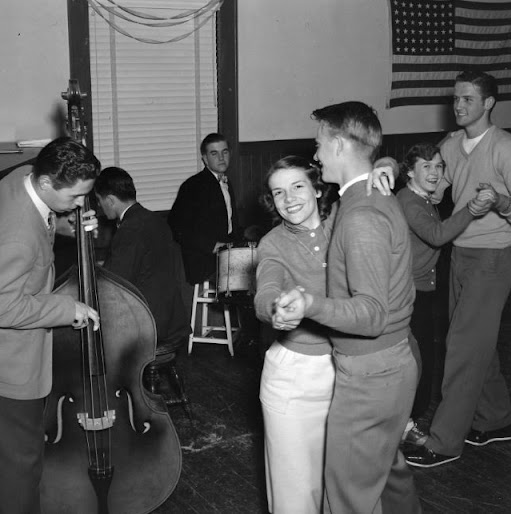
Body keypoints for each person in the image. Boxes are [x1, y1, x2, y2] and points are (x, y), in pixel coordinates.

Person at [274, 101, 421, 514]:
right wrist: (384, 162)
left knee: (346, 499)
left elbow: (371, 314)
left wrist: (309, 304)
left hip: (371, 373)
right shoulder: (359, 199)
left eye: (320, 144)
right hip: (388, 365)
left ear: (338, 144)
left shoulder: (362, 215)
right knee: (387, 477)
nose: (316, 154)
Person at [0, 137, 102, 514]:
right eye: (75, 198)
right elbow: (0, 309)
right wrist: (67, 309)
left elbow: (38, 223)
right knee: (17, 478)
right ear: (48, 183)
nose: (80, 206)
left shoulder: (22, 177)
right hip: (3, 369)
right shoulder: (16, 235)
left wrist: (65, 228)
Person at [403, 70, 511, 468]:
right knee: (477, 341)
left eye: (467, 99)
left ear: (488, 103)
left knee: (463, 346)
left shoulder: (507, 149)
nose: (458, 106)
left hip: (494, 258)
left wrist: (500, 201)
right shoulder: (450, 145)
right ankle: (496, 420)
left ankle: (444, 441)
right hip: (460, 254)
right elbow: (434, 187)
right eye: (456, 99)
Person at [254, 156, 336, 514]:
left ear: (318, 188)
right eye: (278, 192)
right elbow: (266, 288)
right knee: (295, 496)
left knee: (342, 486)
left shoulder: (345, 226)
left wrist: (385, 170)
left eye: (298, 186)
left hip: (349, 371)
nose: (289, 199)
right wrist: (276, 308)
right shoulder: (273, 243)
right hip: (294, 379)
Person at [396, 143, 493, 443]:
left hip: (420, 290)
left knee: (423, 359)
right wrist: (471, 210)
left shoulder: (422, 198)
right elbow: (437, 235)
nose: (435, 172)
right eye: (427, 166)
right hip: (407, 294)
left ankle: (406, 423)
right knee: (414, 363)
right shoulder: (410, 202)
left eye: (439, 166)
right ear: (410, 171)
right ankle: (402, 427)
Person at [94, 166, 191, 348]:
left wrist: (96, 272)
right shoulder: (155, 220)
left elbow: (116, 282)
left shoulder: (129, 229)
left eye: (99, 201)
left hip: (149, 322)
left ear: (110, 200)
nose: (99, 207)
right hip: (172, 317)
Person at [168, 132, 241, 285]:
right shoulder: (192, 186)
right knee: (246, 275)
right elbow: (177, 227)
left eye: (225, 152)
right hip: (203, 258)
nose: (221, 158)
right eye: (214, 153)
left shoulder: (226, 183)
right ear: (205, 159)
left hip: (226, 252)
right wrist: (212, 245)